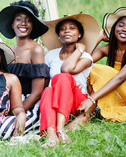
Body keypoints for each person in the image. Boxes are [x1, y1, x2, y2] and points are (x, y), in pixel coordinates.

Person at [76, 7, 126, 122]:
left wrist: (91, 99)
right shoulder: (107, 49)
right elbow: (84, 64)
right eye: (121, 25)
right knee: (91, 70)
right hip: (117, 91)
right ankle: (88, 111)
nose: (125, 29)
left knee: (103, 71)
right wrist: (99, 37)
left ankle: (85, 116)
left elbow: (120, 78)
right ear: (114, 28)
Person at [39, 13, 100, 147]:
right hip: (57, 99)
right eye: (62, 29)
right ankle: (51, 136)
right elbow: (45, 81)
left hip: (78, 102)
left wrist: (79, 50)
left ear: (79, 35)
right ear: (59, 35)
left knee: (63, 77)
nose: (66, 30)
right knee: (48, 91)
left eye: (72, 28)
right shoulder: (51, 55)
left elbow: (66, 69)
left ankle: (60, 129)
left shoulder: (85, 56)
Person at [0, 0, 50, 140]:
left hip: (29, 104)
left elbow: (37, 92)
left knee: (6, 128)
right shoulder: (10, 50)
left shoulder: (35, 50)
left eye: (28, 20)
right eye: (18, 19)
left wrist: (13, 112)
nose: (23, 23)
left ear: (33, 25)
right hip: (10, 100)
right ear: (12, 25)